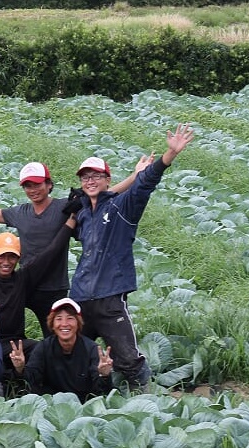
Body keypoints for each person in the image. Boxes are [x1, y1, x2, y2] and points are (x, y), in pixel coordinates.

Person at [0, 159, 147, 334]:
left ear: (49, 185)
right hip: (25, 285)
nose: (33, 190)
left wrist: (135, 177)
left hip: (53, 287)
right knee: (4, 323)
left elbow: (100, 196)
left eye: (37, 184)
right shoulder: (21, 213)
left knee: (56, 336)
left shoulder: (63, 208)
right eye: (28, 186)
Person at [70, 123, 195, 392]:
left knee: (128, 359)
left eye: (96, 176)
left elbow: (145, 184)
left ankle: (145, 399)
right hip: (80, 297)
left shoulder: (121, 206)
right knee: (75, 357)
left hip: (110, 298)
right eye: (85, 177)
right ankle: (88, 396)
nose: (90, 181)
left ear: (107, 180)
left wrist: (169, 155)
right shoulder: (82, 214)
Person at [0, 172, 75, 371]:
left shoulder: (23, 279)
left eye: (12, 257)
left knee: (47, 351)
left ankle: (23, 377)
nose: (6, 262)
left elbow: (52, 252)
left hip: (13, 345)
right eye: (1, 256)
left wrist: (71, 221)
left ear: (19, 258)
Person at [10, 297, 114, 400]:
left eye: (70, 318)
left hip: (84, 405)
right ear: (52, 324)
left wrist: (104, 375)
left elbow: (101, 391)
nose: (64, 324)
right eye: (59, 318)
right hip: (50, 405)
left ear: (78, 323)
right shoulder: (43, 348)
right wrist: (20, 368)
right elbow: (30, 382)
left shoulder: (91, 349)